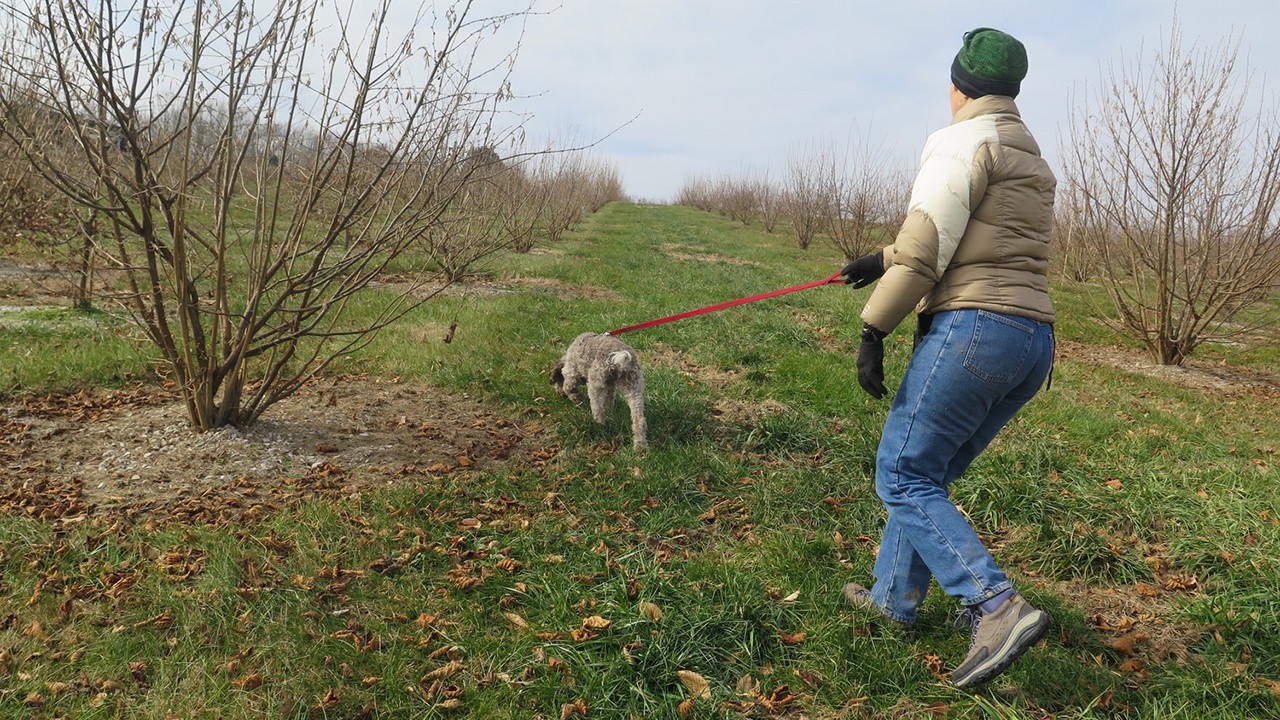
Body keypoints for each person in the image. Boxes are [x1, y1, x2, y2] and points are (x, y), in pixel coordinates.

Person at [837, 27, 1057, 690]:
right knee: (926, 473)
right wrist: (884, 256)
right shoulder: (1029, 155)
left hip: (975, 331)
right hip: (1032, 341)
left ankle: (995, 606)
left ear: (959, 86)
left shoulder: (962, 138)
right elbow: (985, 238)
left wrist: (873, 327)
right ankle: (893, 600)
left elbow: (927, 249)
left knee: (902, 473)